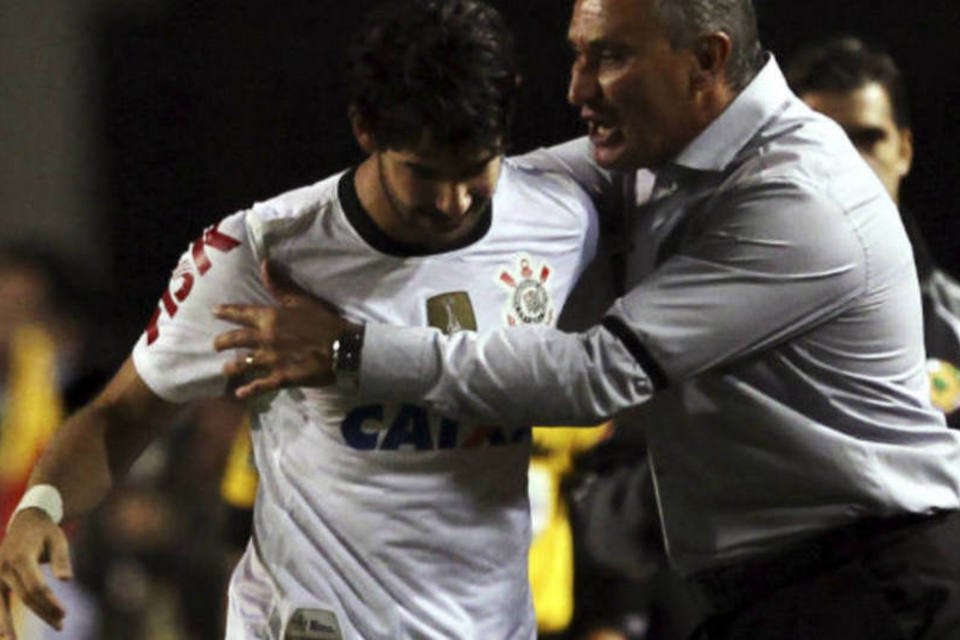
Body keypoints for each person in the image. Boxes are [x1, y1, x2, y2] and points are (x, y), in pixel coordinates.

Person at [211, 0, 960, 638]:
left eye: (608, 57)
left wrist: (349, 349)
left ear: (705, 58)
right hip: (780, 590)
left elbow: (596, 374)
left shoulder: (796, 197)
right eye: (576, 55)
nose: (576, 88)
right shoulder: (665, 151)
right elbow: (502, 181)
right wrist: (320, 237)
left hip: (875, 585)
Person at [0, 1, 601, 638]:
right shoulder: (258, 252)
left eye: (475, 169)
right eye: (423, 173)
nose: (453, 201)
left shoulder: (559, 215)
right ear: (365, 128)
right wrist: (39, 507)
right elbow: (122, 414)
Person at [786, 35, 960, 429]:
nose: (851, 163)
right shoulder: (737, 322)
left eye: (868, 139)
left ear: (905, 150)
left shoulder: (956, 326)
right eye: (826, 142)